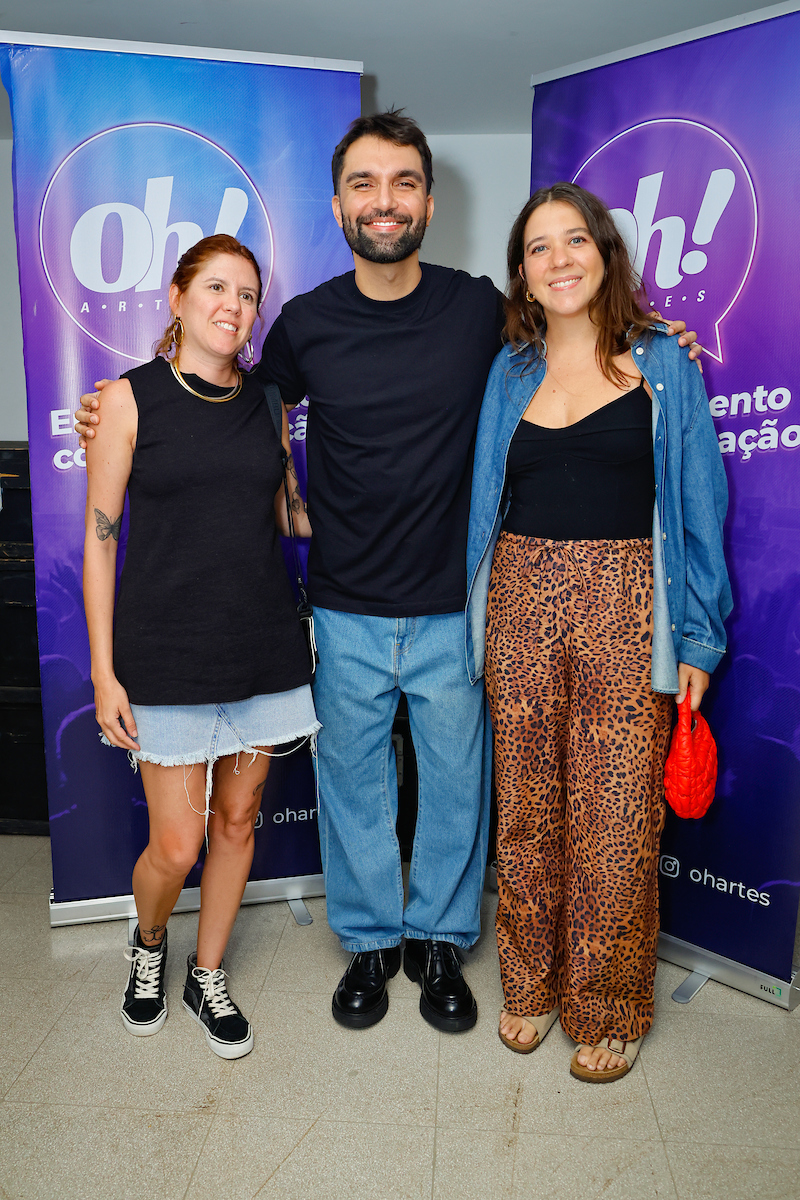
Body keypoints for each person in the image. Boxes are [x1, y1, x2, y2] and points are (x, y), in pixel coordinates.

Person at [76, 113, 700, 1036]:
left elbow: (574, 337)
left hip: (458, 600)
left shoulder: (480, 307)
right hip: (341, 601)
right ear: (338, 205)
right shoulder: (302, 325)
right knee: (356, 787)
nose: (384, 201)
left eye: (403, 182)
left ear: (428, 202)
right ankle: (370, 941)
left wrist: (658, 343)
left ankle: (441, 940)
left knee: (455, 781)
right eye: (365, 184)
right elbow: (222, 395)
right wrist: (113, 408)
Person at [465, 183, 731, 1080]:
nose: (560, 260)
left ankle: (608, 1004)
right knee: (527, 809)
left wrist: (699, 637)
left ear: (605, 253)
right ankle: (531, 988)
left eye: (575, 240)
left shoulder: (665, 365)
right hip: (519, 599)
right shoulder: (506, 372)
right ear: (523, 275)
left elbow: (700, 508)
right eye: (539, 248)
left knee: (618, 815)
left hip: (631, 606)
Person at [82, 234, 318, 1059]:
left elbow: (290, 513)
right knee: (175, 846)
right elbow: (101, 539)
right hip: (166, 654)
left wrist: (386, 496)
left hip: (260, 647)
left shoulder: (267, 404)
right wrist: (105, 670)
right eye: (216, 287)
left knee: (238, 821)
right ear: (177, 299)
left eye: (249, 294)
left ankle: (205, 972)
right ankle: (150, 945)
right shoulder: (127, 399)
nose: (234, 306)